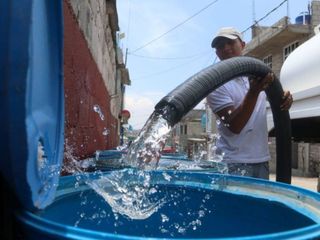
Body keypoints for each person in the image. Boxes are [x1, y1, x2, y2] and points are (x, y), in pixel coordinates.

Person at [206, 27, 293, 179]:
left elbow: (276, 100)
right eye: (220, 46)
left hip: (261, 159)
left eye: (230, 42)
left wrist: (284, 98)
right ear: (216, 53)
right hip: (232, 163)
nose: (226, 48)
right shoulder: (215, 84)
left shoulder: (257, 75)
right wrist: (253, 92)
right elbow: (234, 125)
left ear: (243, 45)